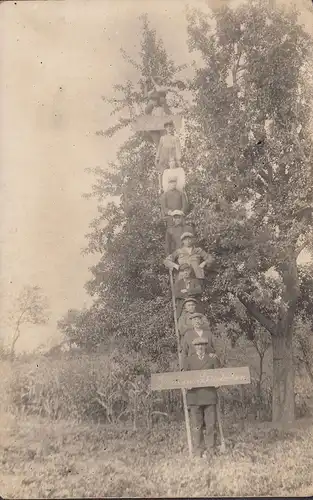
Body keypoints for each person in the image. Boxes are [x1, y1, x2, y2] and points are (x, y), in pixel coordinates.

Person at [183, 337, 220, 458]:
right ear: (194, 347)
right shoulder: (188, 360)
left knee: (210, 425)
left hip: (209, 396)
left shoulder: (212, 359)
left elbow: (220, 375)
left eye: (202, 345)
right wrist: (186, 385)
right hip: (194, 397)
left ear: (205, 346)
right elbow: (183, 378)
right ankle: (198, 450)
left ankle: (211, 450)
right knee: (197, 425)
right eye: (198, 345)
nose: (200, 347)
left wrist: (218, 383)